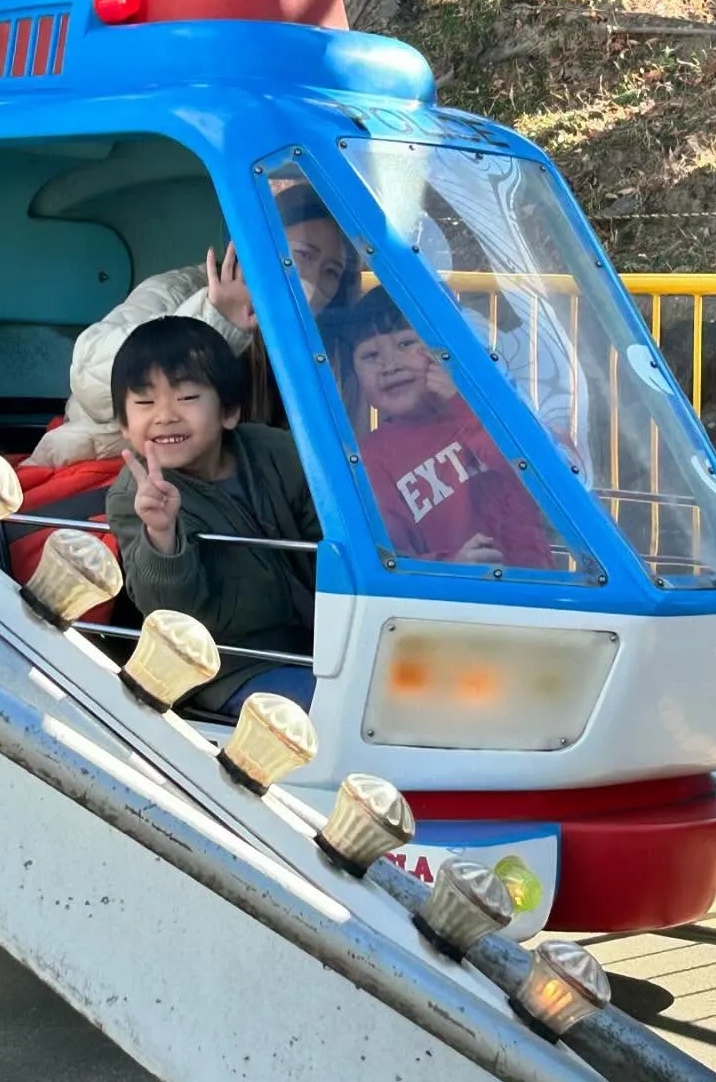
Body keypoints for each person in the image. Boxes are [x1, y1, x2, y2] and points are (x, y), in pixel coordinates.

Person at [29, 183, 358, 469]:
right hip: (113, 473)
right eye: (301, 256)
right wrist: (216, 321)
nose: (313, 278)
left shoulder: (317, 341)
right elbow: (91, 379)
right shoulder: (180, 290)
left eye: (331, 271)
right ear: (257, 247)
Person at [105, 316, 320, 719]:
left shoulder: (276, 452)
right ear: (124, 427)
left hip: (312, 644)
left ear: (229, 412)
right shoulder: (135, 496)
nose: (166, 415)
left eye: (186, 398)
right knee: (328, 710)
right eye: (146, 403)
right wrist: (161, 532)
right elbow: (167, 613)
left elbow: (327, 544)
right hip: (221, 669)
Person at [338, 288, 560, 571]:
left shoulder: (492, 416)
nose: (390, 366)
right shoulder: (370, 459)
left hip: (537, 592)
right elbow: (390, 559)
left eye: (405, 344)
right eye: (370, 355)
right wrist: (451, 566)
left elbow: (539, 475)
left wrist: (464, 403)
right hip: (448, 606)